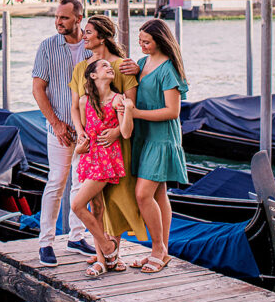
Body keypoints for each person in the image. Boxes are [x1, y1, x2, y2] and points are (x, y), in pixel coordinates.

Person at [69, 16, 146, 261]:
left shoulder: (122, 67)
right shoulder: (82, 68)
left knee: (118, 198)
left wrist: (115, 132)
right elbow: (75, 106)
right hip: (91, 145)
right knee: (95, 202)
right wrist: (80, 132)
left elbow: (130, 103)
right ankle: (104, 252)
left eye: (88, 32)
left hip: (118, 142)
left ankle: (113, 251)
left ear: (102, 36)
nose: (83, 36)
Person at [32, 0, 95, 267]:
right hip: (58, 127)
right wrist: (57, 124)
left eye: (64, 18)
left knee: (81, 183)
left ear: (79, 19)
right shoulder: (47, 47)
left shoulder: (93, 46)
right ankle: (46, 242)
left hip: (87, 129)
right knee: (57, 181)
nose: (58, 22)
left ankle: (76, 236)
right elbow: (38, 89)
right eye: (57, 17)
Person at [128, 18, 189, 274]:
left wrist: (136, 114)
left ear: (160, 41)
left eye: (146, 42)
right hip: (144, 136)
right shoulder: (142, 63)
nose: (141, 45)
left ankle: (157, 249)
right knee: (158, 194)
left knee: (143, 194)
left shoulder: (168, 70)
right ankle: (161, 251)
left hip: (162, 138)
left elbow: (172, 111)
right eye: (139, 41)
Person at [70, 59, 133, 276]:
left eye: (110, 66)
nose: (109, 68)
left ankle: (108, 249)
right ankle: (103, 260)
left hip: (107, 161)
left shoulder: (117, 100)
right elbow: (85, 136)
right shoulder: (84, 101)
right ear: (93, 76)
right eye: (104, 66)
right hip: (90, 159)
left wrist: (127, 110)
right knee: (96, 210)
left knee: (77, 205)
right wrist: (80, 145)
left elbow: (125, 133)